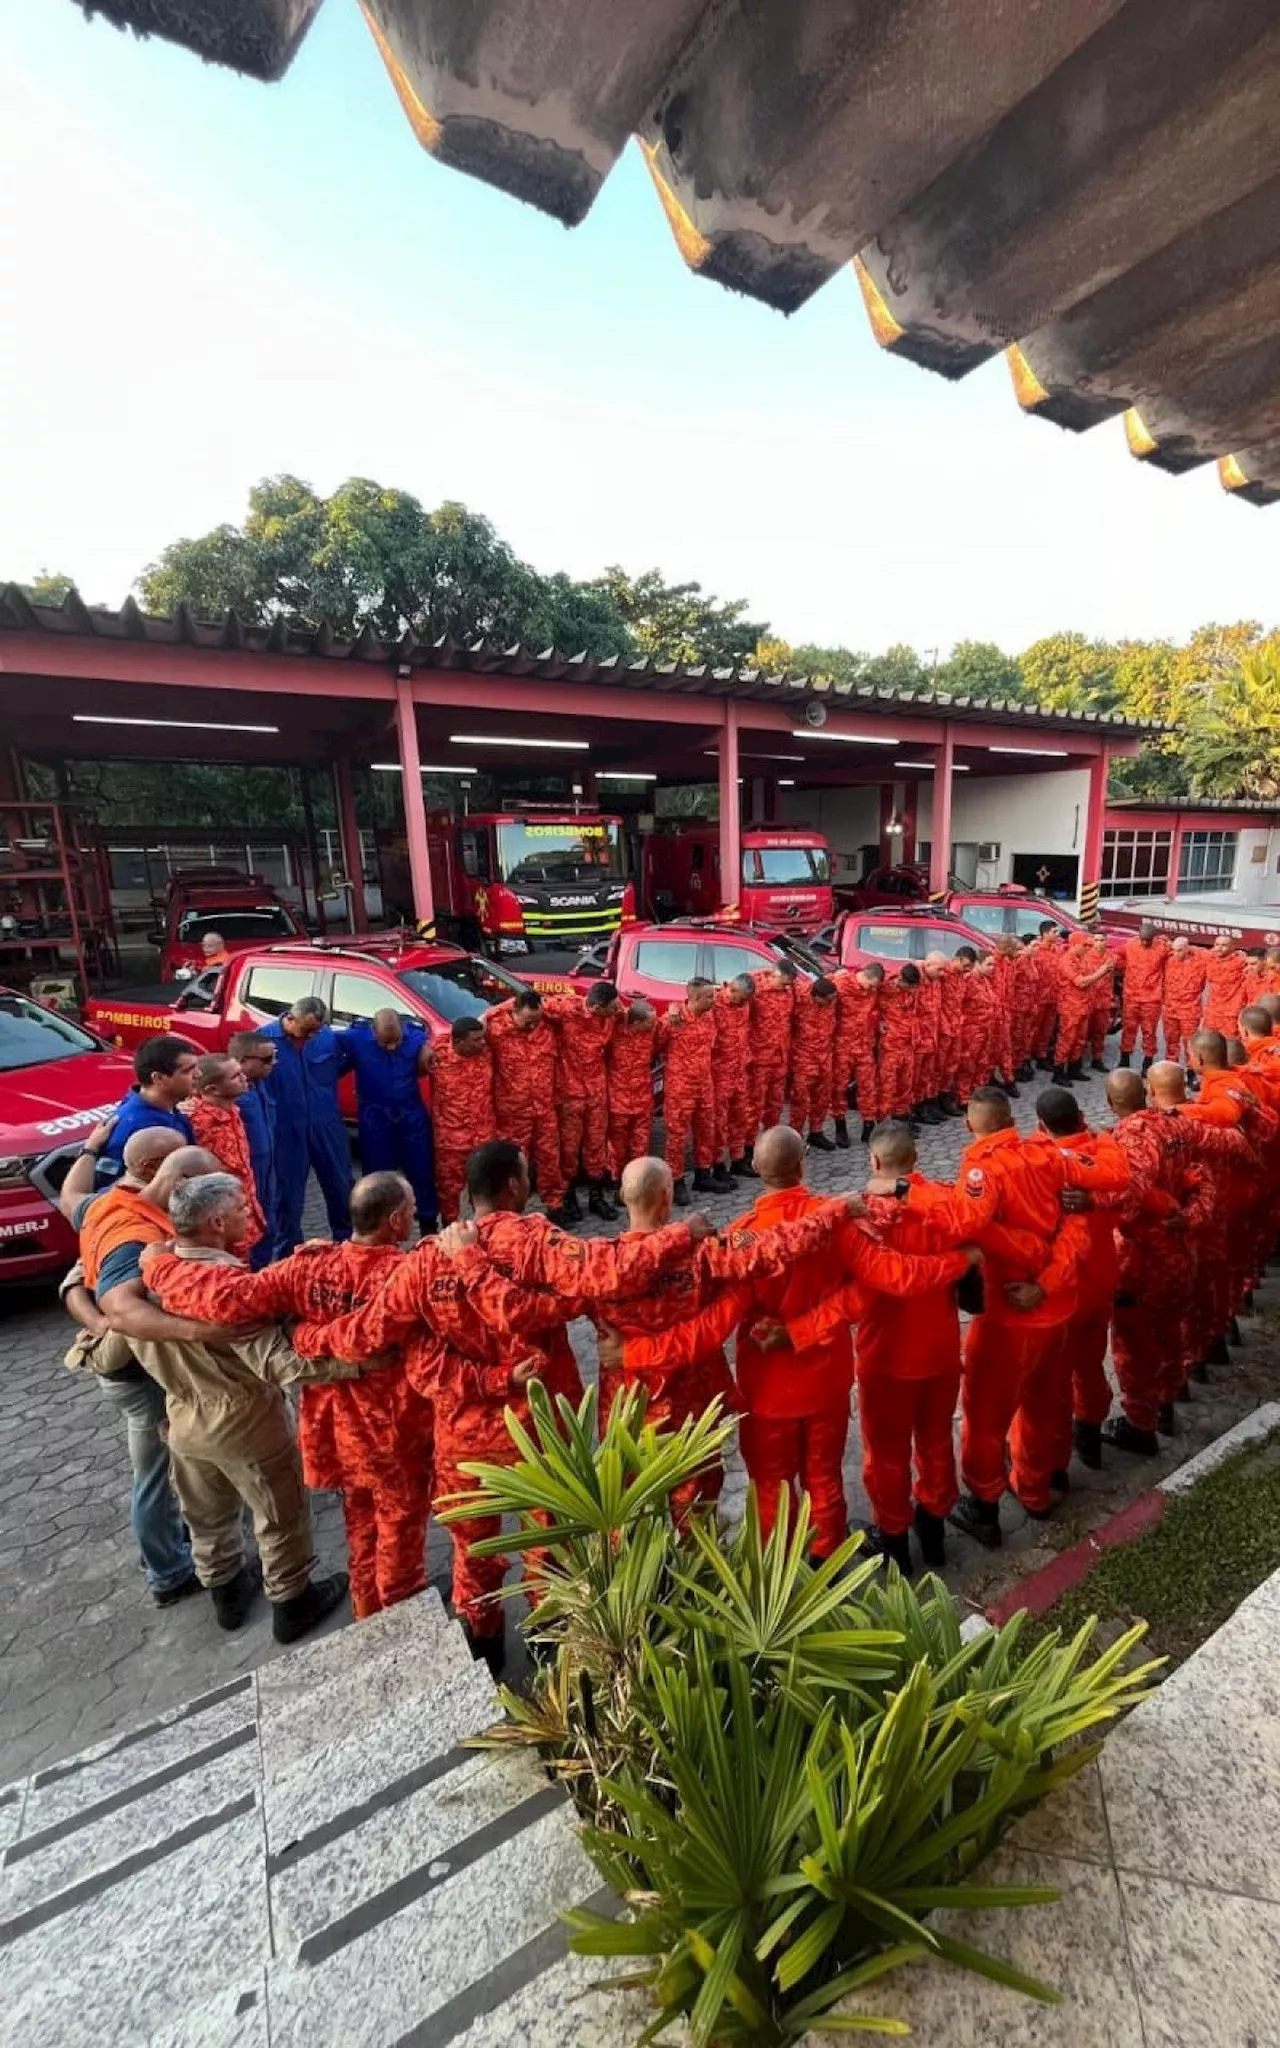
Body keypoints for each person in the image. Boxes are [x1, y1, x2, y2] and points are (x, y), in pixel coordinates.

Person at [291, 1140, 714, 1669]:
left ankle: (483, 1643)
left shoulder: (425, 1261)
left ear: (470, 1193)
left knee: (472, 1546)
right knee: (552, 1539)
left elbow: (368, 1333)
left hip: (464, 1439)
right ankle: (551, 1642)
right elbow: (614, 1271)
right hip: (540, 1430)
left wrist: (307, 1338)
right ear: (515, 1186)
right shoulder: (534, 1242)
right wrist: (682, 1233)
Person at [614, 1126, 973, 1562]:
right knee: (824, 1480)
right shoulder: (837, 1221)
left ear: (754, 1169)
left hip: (768, 1392)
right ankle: (829, 1568)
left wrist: (632, 1354)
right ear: (804, 1165)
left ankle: (782, 1583)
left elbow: (712, 1329)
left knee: (772, 1490)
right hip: (825, 1381)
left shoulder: (743, 1241)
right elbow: (872, 1289)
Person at [144, 1170, 433, 1622]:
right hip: (396, 1435)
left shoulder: (307, 1267)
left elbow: (229, 1299)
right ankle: (400, 1613)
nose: (416, 1216)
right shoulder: (407, 1278)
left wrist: (160, 1267)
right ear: (396, 1221)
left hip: (338, 1432)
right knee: (399, 1524)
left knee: (360, 1523)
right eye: (412, 1210)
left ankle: (366, 1606)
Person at [129, 1172, 354, 1641]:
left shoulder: (143, 1284)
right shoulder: (224, 1289)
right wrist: (356, 1361)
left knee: (206, 1516)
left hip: (184, 1419)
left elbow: (110, 1348)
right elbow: (281, 1365)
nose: (252, 1216)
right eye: (242, 1211)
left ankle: (226, 1594)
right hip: (246, 1421)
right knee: (278, 1515)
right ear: (215, 1222)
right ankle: (293, 1601)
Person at [802, 1118, 984, 1571]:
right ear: (916, 1160)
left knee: (885, 1455)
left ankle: (895, 1540)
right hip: (940, 1348)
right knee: (936, 1442)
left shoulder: (863, 1216)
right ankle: (935, 1525)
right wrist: (958, 1262)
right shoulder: (944, 1202)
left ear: (874, 1162)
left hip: (886, 1356)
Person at [949, 1086, 1127, 1544]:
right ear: (1013, 1119)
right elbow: (1113, 1174)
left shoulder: (981, 1171)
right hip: (1057, 1308)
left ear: (971, 1125)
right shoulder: (1051, 1157)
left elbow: (961, 1225)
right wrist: (1047, 1278)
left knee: (986, 1417)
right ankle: (1038, 1486)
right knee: (1045, 1402)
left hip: (1009, 1317)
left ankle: (985, 1507)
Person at [57, 1129, 217, 1607]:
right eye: (196, 1184)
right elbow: (126, 1311)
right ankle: (169, 1573)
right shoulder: (136, 1236)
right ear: (159, 1173)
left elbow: (69, 1197)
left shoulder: (109, 1203)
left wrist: (90, 1148)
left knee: (163, 1465)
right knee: (154, 1471)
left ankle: (176, 1548)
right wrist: (204, 1331)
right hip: (139, 1378)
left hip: (126, 1370)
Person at [260, 994, 353, 1251]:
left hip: (327, 1126)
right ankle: (289, 1258)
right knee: (287, 1200)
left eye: (317, 1030)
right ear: (289, 1018)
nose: (312, 1036)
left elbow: (338, 1067)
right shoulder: (263, 1042)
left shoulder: (326, 1037)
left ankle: (348, 1250)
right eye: (307, 1030)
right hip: (284, 1130)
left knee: (342, 1188)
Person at [342, 1007, 437, 1230]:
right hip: (375, 1116)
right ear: (373, 1031)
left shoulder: (416, 1036)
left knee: (422, 1171)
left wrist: (427, 1053)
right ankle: (378, 1228)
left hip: (410, 1114)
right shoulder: (355, 1037)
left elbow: (438, 1046)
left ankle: (428, 1223)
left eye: (396, 1041)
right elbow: (324, 1043)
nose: (392, 1047)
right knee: (378, 1177)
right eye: (385, 1043)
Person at [485, 989, 570, 1221]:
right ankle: (511, 1214)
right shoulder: (495, 1031)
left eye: (536, 1020)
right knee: (514, 1164)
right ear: (513, 1011)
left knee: (550, 1158)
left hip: (544, 1108)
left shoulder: (548, 1027)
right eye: (527, 1021)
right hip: (513, 1112)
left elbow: (573, 1006)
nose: (533, 1025)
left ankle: (555, 1205)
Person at [542, 982, 621, 1220]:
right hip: (570, 1092)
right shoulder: (567, 1009)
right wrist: (487, 1016)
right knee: (569, 1149)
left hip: (596, 1091)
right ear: (597, 1007)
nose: (617, 1009)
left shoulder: (613, 1012)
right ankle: (568, 1198)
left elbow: (636, 1013)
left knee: (596, 1146)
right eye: (611, 1007)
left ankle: (597, 1198)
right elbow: (527, 1003)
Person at [186, 1053, 269, 1257]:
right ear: (212, 1089)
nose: (244, 1078)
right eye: (235, 1076)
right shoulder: (197, 1123)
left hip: (245, 1214)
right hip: (220, 1227)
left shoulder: (233, 1111)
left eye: (241, 1073)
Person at [424, 1014, 492, 1223]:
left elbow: (509, 1010)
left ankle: (486, 1230)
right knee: (448, 1190)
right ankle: (449, 1230)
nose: (483, 1042)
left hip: (483, 1137)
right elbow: (414, 1038)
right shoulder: (438, 1054)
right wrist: (423, 1049)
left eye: (483, 1038)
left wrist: (486, 1015)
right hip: (451, 1140)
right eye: (477, 1040)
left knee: (485, 1188)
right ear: (460, 1042)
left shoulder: (487, 1053)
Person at [664, 976, 722, 1200]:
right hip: (681, 1087)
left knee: (705, 1130)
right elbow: (655, 1044)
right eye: (709, 997)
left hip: (704, 1084)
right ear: (695, 998)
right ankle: (676, 1180)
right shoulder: (673, 1021)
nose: (713, 1001)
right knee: (677, 1136)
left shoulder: (709, 1017)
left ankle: (703, 1174)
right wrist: (672, 1007)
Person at [101, 1034, 199, 1164]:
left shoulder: (169, 1107)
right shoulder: (136, 1127)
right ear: (158, 1078)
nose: (198, 1074)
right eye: (188, 1071)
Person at [228, 1030, 278, 1269]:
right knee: (249, 1232)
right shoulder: (228, 1092)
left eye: (274, 1056)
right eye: (267, 1060)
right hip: (246, 1176)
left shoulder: (259, 1084)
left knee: (269, 1225)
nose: (274, 1064)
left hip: (267, 1171)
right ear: (243, 1062)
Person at [607, 997, 666, 1182]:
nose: (654, 1025)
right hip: (619, 1099)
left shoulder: (652, 1032)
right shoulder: (615, 1030)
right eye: (650, 1022)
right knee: (618, 1147)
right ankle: (618, 1182)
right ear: (637, 1022)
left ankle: (638, 1181)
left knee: (640, 1144)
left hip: (642, 1099)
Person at [830, 959, 883, 1144]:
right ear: (865, 976)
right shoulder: (841, 984)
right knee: (839, 1088)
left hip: (864, 1045)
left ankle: (869, 1126)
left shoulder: (873, 989)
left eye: (873, 988)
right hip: (843, 1045)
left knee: (868, 1087)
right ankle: (840, 1126)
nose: (870, 990)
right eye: (870, 985)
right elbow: (820, 990)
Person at [713, 975, 757, 1176]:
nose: (745, 1003)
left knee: (740, 1118)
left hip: (739, 1071)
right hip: (720, 1073)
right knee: (719, 1122)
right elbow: (688, 1007)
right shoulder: (713, 1004)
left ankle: (738, 1160)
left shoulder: (744, 1004)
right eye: (742, 998)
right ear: (731, 989)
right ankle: (718, 1165)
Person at [789, 974, 839, 1150]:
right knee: (801, 1101)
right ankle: (795, 1137)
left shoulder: (830, 1000)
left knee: (822, 1098)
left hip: (824, 1057)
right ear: (816, 997)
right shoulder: (799, 999)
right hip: (803, 1058)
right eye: (828, 1001)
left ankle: (816, 1132)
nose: (832, 1003)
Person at [748, 960, 798, 1137]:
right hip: (760, 1059)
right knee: (755, 1105)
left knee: (775, 1104)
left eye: (789, 984)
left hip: (780, 1058)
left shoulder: (789, 991)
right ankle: (748, 1147)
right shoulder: (755, 988)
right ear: (775, 974)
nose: (786, 987)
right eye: (784, 982)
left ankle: (772, 1141)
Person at [1053, 939, 1113, 1084]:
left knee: (1080, 1040)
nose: (1088, 948)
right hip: (1070, 1008)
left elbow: (1090, 979)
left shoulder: (1083, 959)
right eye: (1085, 945)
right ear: (1074, 945)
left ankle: (1074, 1069)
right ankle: (1058, 1073)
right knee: (1067, 1040)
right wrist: (1102, 971)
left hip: (1083, 1007)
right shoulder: (1066, 962)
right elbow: (1081, 982)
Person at [1117, 923, 1169, 1071]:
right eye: (1143, 939)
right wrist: (1125, 967)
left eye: (1148, 940)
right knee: (1129, 1028)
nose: (1145, 942)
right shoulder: (1130, 945)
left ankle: (1147, 1063)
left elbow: (1176, 956)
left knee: (1149, 1031)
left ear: (1154, 938)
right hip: (1132, 996)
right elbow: (1116, 954)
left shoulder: (1162, 947)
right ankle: (1124, 1059)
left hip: (1151, 998)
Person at [878, 963, 921, 1122]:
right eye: (911, 987)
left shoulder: (910, 990)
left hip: (908, 1043)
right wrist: (878, 1020)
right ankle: (884, 1121)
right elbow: (868, 1004)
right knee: (888, 1086)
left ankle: (901, 1117)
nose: (913, 991)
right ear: (902, 981)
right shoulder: (885, 988)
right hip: (891, 1046)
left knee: (905, 1084)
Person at [1160, 936, 1207, 1069]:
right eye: (1174, 950)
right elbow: (1159, 943)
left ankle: (1191, 1071)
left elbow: (1212, 954)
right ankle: (1171, 1070)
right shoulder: (1168, 960)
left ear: (1187, 949)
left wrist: (1193, 949)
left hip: (1190, 1010)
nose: (1176, 954)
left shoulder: (1199, 962)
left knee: (1190, 1043)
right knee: (1171, 1041)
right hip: (1170, 1009)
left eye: (1180, 950)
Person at [1202, 934, 1251, 1039]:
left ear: (1233, 947)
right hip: (1212, 1011)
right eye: (1217, 944)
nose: (1219, 948)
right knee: (1208, 1043)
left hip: (1231, 1013)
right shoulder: (1210, 958)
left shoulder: (1241, 961)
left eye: (1224, 945)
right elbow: (1191, 949)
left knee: (1231, 1045)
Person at [1085, 932, 1116, 1073]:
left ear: (1106, 941)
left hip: (1103, 1001)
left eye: (1102, 940)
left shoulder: (1111, 956)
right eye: (1096, 940)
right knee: (1083, 1032)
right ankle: (1077, 1061)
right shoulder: (1085, 956)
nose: (1098, 943)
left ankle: (1097, 1059)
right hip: (1088, 1000)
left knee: (1100, 1032)